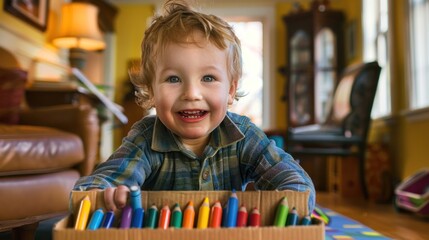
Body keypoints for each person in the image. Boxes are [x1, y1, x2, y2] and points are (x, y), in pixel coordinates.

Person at [73, 0, 315, 213]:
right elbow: (95, 187)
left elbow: (294, 181)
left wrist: (292, 196)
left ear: (230, 90)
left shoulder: (244, 135)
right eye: (173, 79)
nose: (191, 94)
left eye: (208, 78)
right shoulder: (144, 139)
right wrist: (105, 193)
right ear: (152, 91)